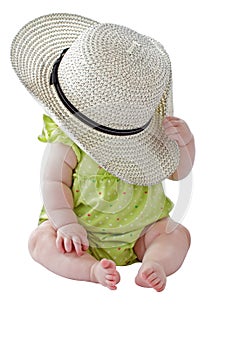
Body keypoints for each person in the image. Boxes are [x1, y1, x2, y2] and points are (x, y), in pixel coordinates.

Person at [11, 13, 195, 291]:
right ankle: (90, 269)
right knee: (41, 241)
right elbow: (53, 182)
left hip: (143, 231)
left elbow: (177, 173)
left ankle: (153, 263)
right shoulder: (66, 139)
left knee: (176, 235)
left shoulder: (150, 138)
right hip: (79, 235)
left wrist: (185, 143)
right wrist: (66, 224)